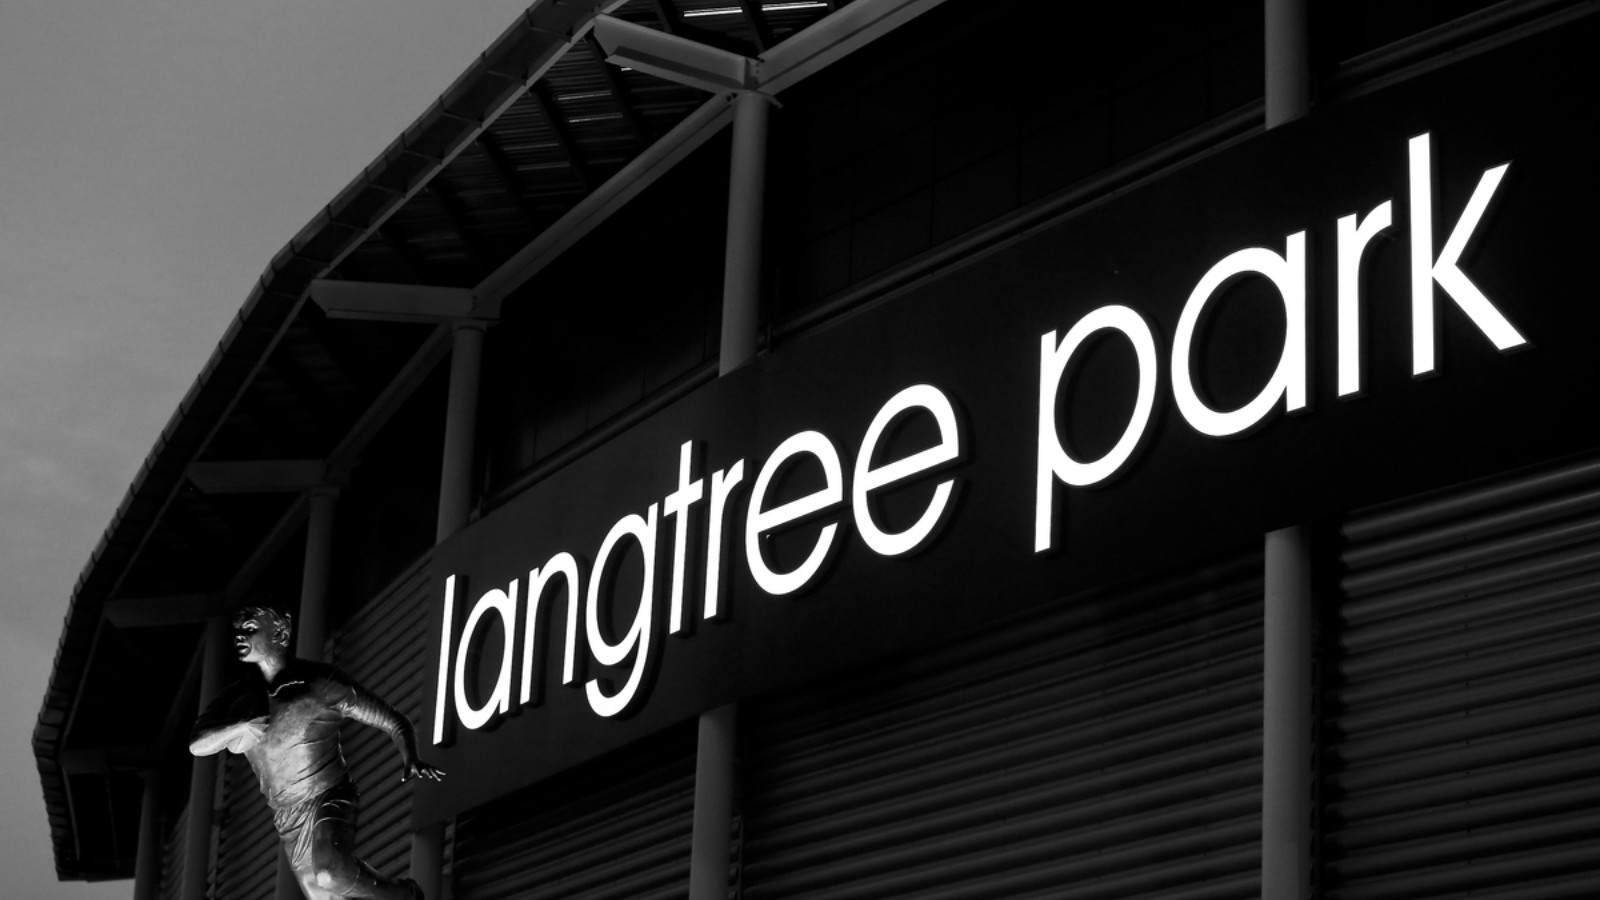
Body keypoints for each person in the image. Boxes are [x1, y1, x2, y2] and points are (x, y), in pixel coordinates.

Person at [190, 606, 445, 900]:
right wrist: (239, 727)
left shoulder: (319, 682)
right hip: (287, 818)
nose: (239, 636)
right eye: (237, 630)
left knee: (329, 873)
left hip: (329, 796)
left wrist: (410, 756)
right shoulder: (236, 697)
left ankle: (405, 895)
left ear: (279, 633)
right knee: (329, 894)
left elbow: (392, 720)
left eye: (249, 628)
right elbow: (197, 744)